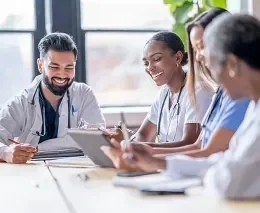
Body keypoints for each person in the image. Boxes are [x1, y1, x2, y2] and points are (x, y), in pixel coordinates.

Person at [101, 8, 249, 170]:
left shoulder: (236, 95)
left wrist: (153, 159)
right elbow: (200, 145)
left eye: (202, 47)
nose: (199, 57)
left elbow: (209, 150)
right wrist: (145, 150)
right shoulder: (222, 93)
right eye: (196, 50)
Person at [0, 32, 105, 164]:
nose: (62, 74)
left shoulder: (84, 94)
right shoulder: (21, 102)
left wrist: (38, 148)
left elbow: (97, 141)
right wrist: (6, 153)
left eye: (69, 67)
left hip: (75, 173)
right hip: (30, 173)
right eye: (54, 67)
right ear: (40, 65)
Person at [202, 13, 260, 199]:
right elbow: (229, 161)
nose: (216, 80)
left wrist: (212, 174)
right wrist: (163, 163)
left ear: (232, 64)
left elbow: (229, 183)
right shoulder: (254, 104)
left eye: (213, 68)